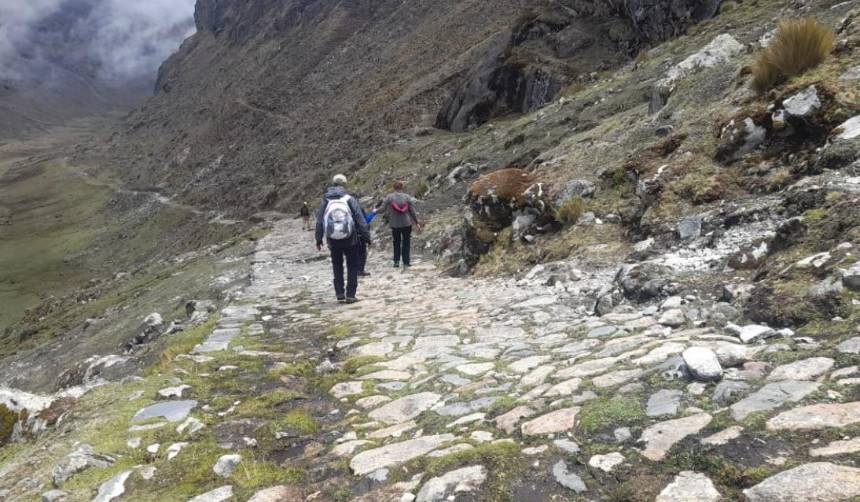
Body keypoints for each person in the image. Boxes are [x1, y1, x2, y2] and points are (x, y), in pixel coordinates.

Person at [315, 175, 370, 303]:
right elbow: (360, 219)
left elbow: (319, 221)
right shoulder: (349, 199)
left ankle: (339, 293)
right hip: (350, 238)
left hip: (333, 239)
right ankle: (351, 295)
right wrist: (366, 237)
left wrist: (318, 239)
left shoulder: (325, 200)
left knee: (337, 265)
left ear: (333, 184)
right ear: (345, 185)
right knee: (352, 265)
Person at [381, 181, 421, 268]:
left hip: (394, 224)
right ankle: (406, 262)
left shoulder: (389, 197)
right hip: (406, 223)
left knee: (396, 242)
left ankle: (396, 261)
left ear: (393, 188)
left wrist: (374, 212)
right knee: (406, 242)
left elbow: (382, 209)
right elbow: (412, 211)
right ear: (402, 187)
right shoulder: (407, 197)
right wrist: (417, 222)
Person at [357, 207, 377, 277]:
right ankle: (360, 270)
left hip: (350, 236)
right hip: (360, 236)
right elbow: (366, 222)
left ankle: (354, 270)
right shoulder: (360, 212)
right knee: (362, 254)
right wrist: (368, 239)